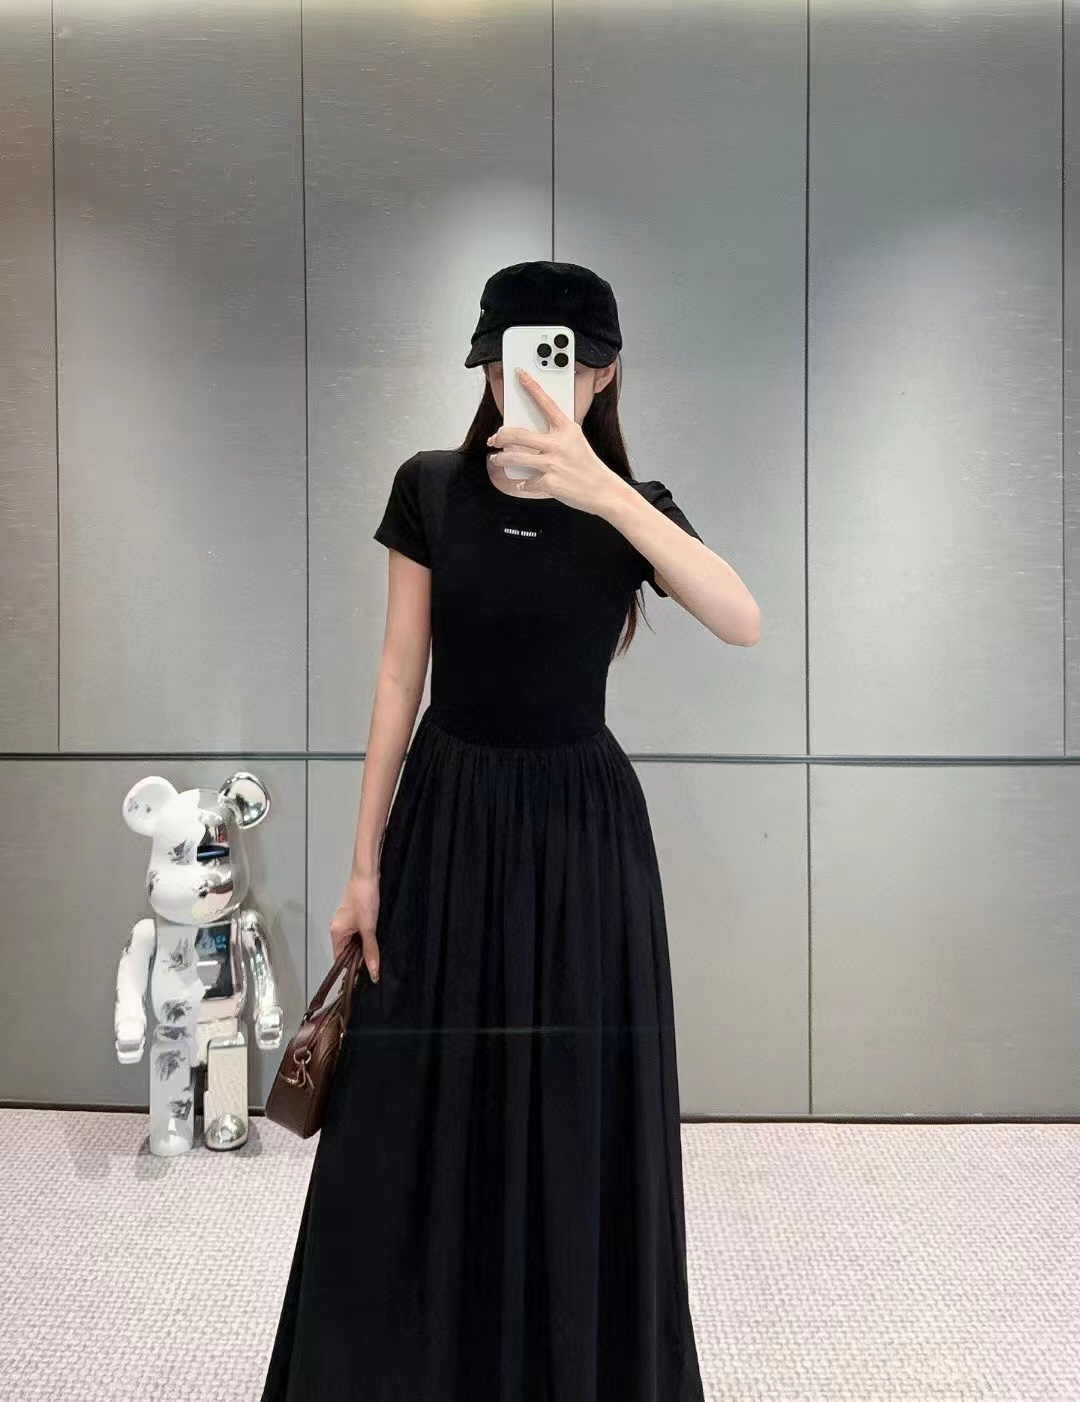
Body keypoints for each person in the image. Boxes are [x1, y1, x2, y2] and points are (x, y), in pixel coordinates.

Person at [261, 260, 761, 1401]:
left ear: (605, 374)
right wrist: (359, 869)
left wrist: (605, 492)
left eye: (567, 363)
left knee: (573, 1106)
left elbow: (742, 619)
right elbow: (399, 678)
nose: (536, 382)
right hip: (445, 824)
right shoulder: (430, 488)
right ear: (484, 366)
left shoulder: (630, 509)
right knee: (407, 1114)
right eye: (513, 360)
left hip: (583, 839)